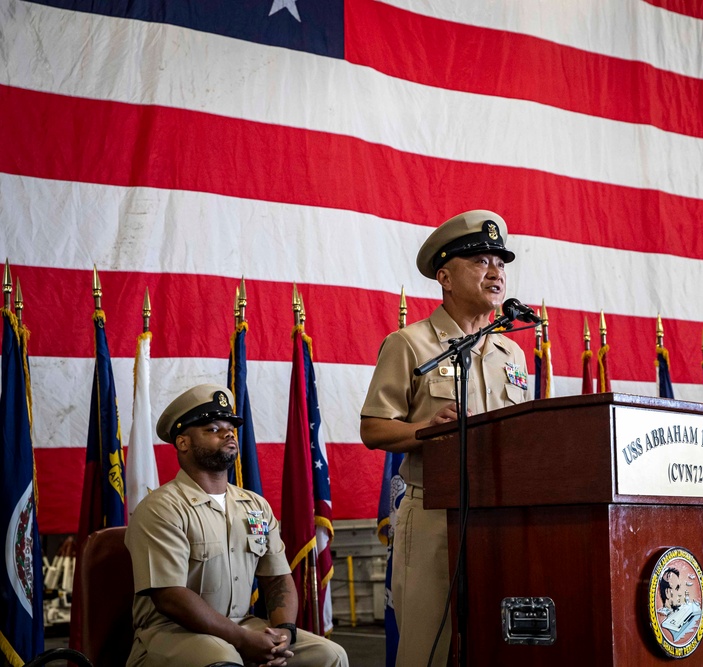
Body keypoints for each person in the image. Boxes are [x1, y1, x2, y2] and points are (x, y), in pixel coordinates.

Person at [360, 210, 531, 666]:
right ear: (445, 276)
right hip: (433, 514)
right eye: (480, 260)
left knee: (499, 644)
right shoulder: (410, 344)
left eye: (500, 262)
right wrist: (425, 431)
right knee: (428, 650)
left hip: (500, 516)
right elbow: (373, 428)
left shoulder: (510, 350)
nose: (495, 271)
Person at [124, 384, 349, 667]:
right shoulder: (162, 507)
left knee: (329, 656)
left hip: (244, 625)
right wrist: (241, 641)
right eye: (213, 429)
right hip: (172, 633)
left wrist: (283, 633)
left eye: (230, 427)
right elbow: (170, 596)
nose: (228, 433)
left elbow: (278, 578)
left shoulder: (255, 506)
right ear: (183, 442)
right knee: (224, 660)